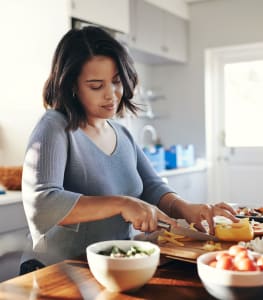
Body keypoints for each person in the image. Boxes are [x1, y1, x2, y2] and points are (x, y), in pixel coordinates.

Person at [21, 26, 238, 272]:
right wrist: (122, 203)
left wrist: (186, 209)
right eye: (96, 86)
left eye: (116, 82)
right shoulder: (53, 127)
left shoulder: (121, 133)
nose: (111, 95)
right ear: (72, 85)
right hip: (56, 270)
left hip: (110, 266)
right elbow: (42, 203)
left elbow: (152, 187)